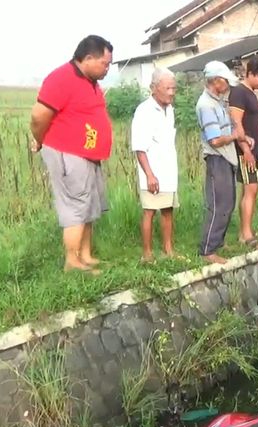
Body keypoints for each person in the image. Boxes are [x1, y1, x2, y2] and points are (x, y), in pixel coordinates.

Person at [30, 35, 114, 274]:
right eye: (104, 64)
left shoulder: (91, 82)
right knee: (77, 205)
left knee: (88, 204)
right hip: (68, 154)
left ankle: (85, 255)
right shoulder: (61, 79)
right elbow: (38, 116)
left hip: (88, 156)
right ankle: (72, 261)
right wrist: (39, 140)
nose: (107, 69)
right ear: (88, 58)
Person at [196, 60, 247, 265]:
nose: (227, 85)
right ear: (216, 81)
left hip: (226, 158)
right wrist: (236, 136)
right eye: (225, 81)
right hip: (217, 159)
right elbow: (215, 140)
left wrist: (240, 137)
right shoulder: (206, 105)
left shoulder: (218, 100)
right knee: (219, 205)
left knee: (228, 202)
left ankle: (218, 242)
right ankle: (208, 249)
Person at [131, 68, 178, 263]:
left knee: (168, 210)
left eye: (173, 88)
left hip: (169, 170)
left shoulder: (170, 110)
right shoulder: (144, 110)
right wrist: (150, 175)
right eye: (167, 88)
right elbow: (139, 147)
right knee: (149, 211)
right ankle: (147, 254)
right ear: (154, 88)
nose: (171, 92)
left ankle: (169, 250)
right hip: (153, 171)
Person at [228, 56, 258, 250]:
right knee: (251, 188)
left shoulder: (250, 92)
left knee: (250, 189)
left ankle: (244, 231)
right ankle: (246, 235)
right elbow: (236, 123)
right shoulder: (239, 92)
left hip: (253, 149)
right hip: (245, 151)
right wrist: (246, 149)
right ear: (251, 73)